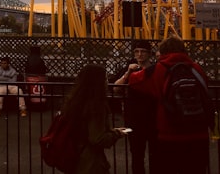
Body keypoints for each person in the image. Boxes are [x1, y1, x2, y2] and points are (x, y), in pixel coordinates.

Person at [128, 36, 210, 174]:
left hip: (169, 133)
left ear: (163, 51)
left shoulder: (159, 69)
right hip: (199, 133)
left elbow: (134, 81)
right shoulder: (197, 68)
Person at [62, 64, 127, 174]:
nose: (107, 81)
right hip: (90, 162)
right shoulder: (96, 106)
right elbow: (97, 139)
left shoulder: (75, 101)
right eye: (105, 78)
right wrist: (116, 134)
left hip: (75, 155)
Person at [114, 40, 157, 174]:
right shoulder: (129, 68)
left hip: (152, 116)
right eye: (136, 52)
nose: (139, 55)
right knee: (136, 153)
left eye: (143, 52)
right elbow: (116, 88)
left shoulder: (155, 69)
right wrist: (127, 73)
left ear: (149, 54)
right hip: (134, 116)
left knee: (155, 153)